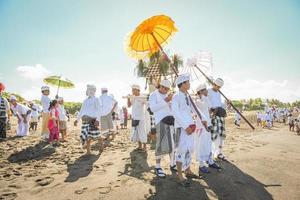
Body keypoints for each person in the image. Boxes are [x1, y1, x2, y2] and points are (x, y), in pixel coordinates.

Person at [172, 74, 197, 187]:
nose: (189, 84)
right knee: (181, 150)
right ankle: (179, 175)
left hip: (190, 127)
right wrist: (185, 126)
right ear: (182, 84)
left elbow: (190, 111)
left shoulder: (186, 95)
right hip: (182, 127)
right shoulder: (176, 96)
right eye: (188, 82)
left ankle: (187, 170)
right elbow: (176, 113)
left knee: (190, 148)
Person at [149, 79, 176, 178]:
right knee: (161, 144)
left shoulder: (168, 95)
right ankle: (157, 166)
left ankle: (172, 164)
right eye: (164, 88)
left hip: (171, 121)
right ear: (160, 86)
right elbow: (153, 109)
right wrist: (166, 101)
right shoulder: (153, 95)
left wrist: (171, 101)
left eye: (167, 89)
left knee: (173, 144)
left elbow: (171, 109)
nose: (165, 90)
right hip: (160, 122)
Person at [194, 83, 221, 175]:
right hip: (201, 126)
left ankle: (210, 161)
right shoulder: (197, 101)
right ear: (200, 92)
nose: (207, 91)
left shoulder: (206, 99)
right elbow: (204, 107)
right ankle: (201, 165)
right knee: (201, 145)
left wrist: (215, 111)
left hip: (208, 125)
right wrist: (204, 97)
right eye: (204, 90)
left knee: (208, 143)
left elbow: (209, 109)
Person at [74, 84, 102, 154]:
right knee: (87, 136)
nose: (90, 91)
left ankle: (101, 146)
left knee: (97, 135)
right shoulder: (85, 100)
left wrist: (98, 120)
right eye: (89, 90)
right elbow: (81, 111)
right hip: (85, 121)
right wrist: (77, 119)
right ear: (87, 91)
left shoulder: (96, 99)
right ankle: (88, 152)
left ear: (94, 91)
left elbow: (99, 110)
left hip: (93, 120)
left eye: (92, 90)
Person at [207, 78, 227, 161]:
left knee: (220, 135)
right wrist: (212, 110)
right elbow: (207, 103)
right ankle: (210, 154)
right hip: (212, 116)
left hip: (220, 116)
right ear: (213, 84)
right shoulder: (208, 91)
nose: (218, 88)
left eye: (219, 87)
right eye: (217, 86)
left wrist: (226, 103)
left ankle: (218, 153)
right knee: (213, 135)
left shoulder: (218, 93)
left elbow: (220, 104)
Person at [127, 84, 148, 151]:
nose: (132, 91)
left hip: (141, 118)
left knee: (142, 131)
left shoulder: (142, 97)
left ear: (138, 90)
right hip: (134, 117)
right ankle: (139, 146)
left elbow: (147, 104)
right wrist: (128, 98)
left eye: (133, 90)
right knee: (136, 132)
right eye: (132, 90)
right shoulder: (132, 97)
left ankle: (144, 146)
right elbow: (129, 106)